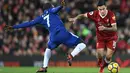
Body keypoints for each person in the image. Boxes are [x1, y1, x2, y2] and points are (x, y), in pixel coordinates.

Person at [4, 0, 86, 73]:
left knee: (48, 48)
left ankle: (44, 67)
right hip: (62, 33)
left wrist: (14, 27)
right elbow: (56, 9)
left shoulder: (40, 18)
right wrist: (61, 6)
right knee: (82, 44)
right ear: (50, 7)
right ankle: (71, 55)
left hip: (53, 38)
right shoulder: (51, 10)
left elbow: (28, 23)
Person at [69, 0, 118, 73]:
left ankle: (102, 68)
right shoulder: (94, 14)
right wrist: (75, 18)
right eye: (100, 9)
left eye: (103, 9)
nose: (102, 11)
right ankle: (100, 61)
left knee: (108, 57)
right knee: (99, 55)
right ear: (98, 9)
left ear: (106, 7)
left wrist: (105, 28)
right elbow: (83, 15)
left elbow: (115, 28)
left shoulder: (111, 15)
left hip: (111, 38)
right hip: (100, 38)